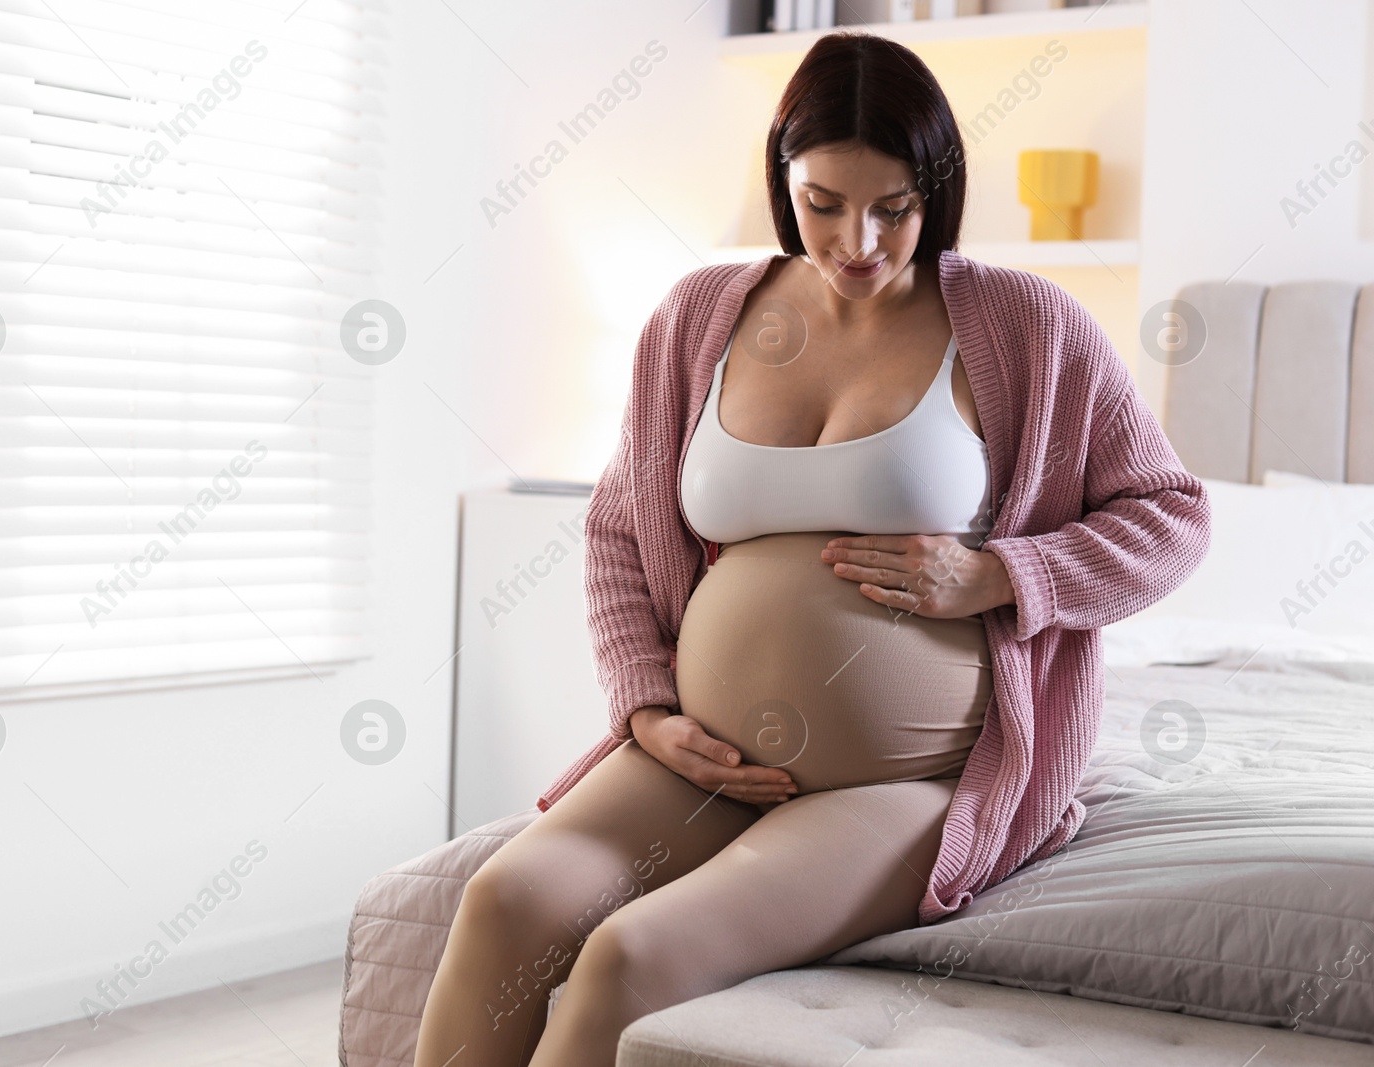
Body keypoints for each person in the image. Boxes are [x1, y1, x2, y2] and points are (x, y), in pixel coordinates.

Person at [414, 31, 1210, 1067]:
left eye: (893, 207)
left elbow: (1170, 514)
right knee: (502, 897)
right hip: (699, 755)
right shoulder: (700, 315)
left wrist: (998, 573)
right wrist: (647, 704)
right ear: (781, 178)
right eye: (822, 202)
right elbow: (619, 527)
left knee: (625, 956)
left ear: (938, 190)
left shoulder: (1026, 326)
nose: (857, 241)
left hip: (904, 782)